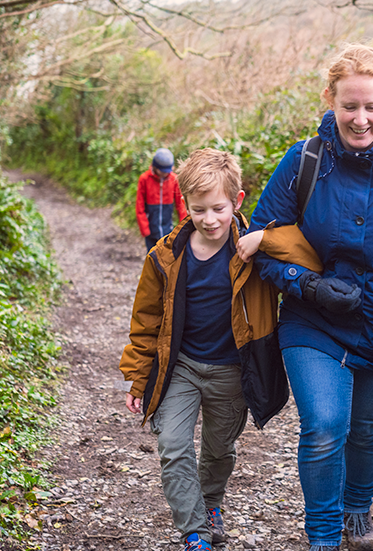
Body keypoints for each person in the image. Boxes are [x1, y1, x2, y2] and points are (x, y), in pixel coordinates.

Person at [239, 44, 373, 551]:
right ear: (330, 101)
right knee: (323, 426)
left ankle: (358, 512)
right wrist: (308, 286)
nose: (360, 120)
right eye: (349, 106)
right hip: (311, 323)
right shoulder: (304, 161)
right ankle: (322, 536)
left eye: (371, 107)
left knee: (366, 428)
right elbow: (261, 241)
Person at [119, 148, 323, 551]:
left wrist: (264, 237)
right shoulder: (165, 256)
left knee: (218, 451)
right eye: (198, 210)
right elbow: (145, 322)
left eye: (218, 208)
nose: (209, 220)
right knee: (172, 446)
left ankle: (211, 504)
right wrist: (138, 377)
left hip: (232, 371)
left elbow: (308, 255)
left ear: (237, 201)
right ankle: (194, 530)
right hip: (180, 369)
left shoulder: (252, 250)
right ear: (185, 205)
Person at [136, 147, 188, 251]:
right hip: (151, 231)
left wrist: (182, 227)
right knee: (151, 257)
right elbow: (139, 206)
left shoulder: (173, 179)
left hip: (167, 229)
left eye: (167, 171)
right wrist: (144, 228)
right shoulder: (144, 179)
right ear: (155, 167)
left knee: (167, 258)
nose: (166, 174)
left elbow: (180, 205)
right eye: (162, 171)